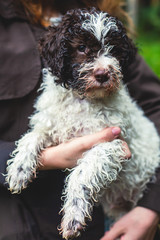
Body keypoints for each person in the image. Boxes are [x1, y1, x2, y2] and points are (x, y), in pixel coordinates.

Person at [0, 0, 160, 239]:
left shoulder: (99, 14)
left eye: (111, 53)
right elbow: (43, 128)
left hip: (128, 211)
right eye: (84, 49)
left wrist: (153, 205)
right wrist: (44, 158)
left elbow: (154, 107)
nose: (103, 67)